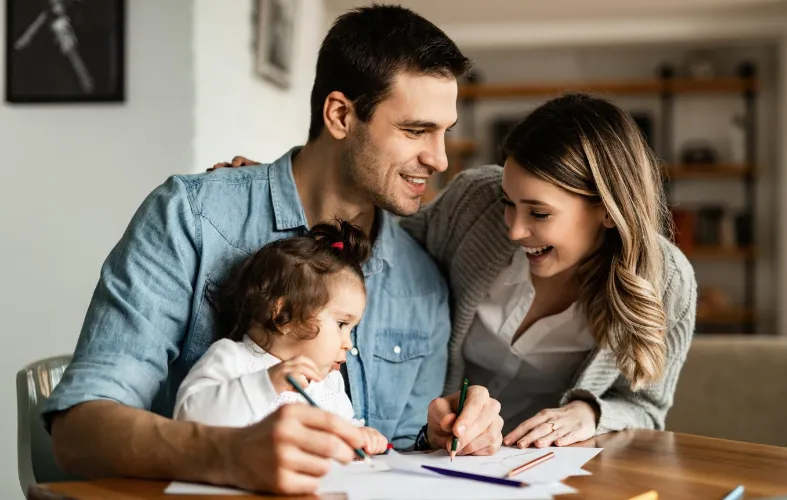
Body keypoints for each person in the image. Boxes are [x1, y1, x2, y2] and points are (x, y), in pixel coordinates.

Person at [42, 5, 502, 496]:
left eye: (444, 132)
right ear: (341, 115)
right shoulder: (192, 218)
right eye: (415, 131)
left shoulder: (422, 282)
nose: (439, 158)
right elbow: (79, 434)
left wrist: (440, 437)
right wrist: (225, 454)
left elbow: (398, 459)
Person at [221, 92, 698, 448]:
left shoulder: (669, 283)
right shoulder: (475, 203)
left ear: (608, 212)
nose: (513, 229)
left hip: (542, 468)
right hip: (440, 452)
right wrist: (292, 189)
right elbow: (379, 246)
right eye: (509, 203)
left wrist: (589, 413)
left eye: (539, 213)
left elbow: (648, 410)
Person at [173, 220, 388, 456]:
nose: (348, 343)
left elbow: (342, 430)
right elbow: (188, 419)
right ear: (283, 316)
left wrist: (360, 435)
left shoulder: (328, 384)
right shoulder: (232, 359)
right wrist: (266, 384)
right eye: (341, 324)